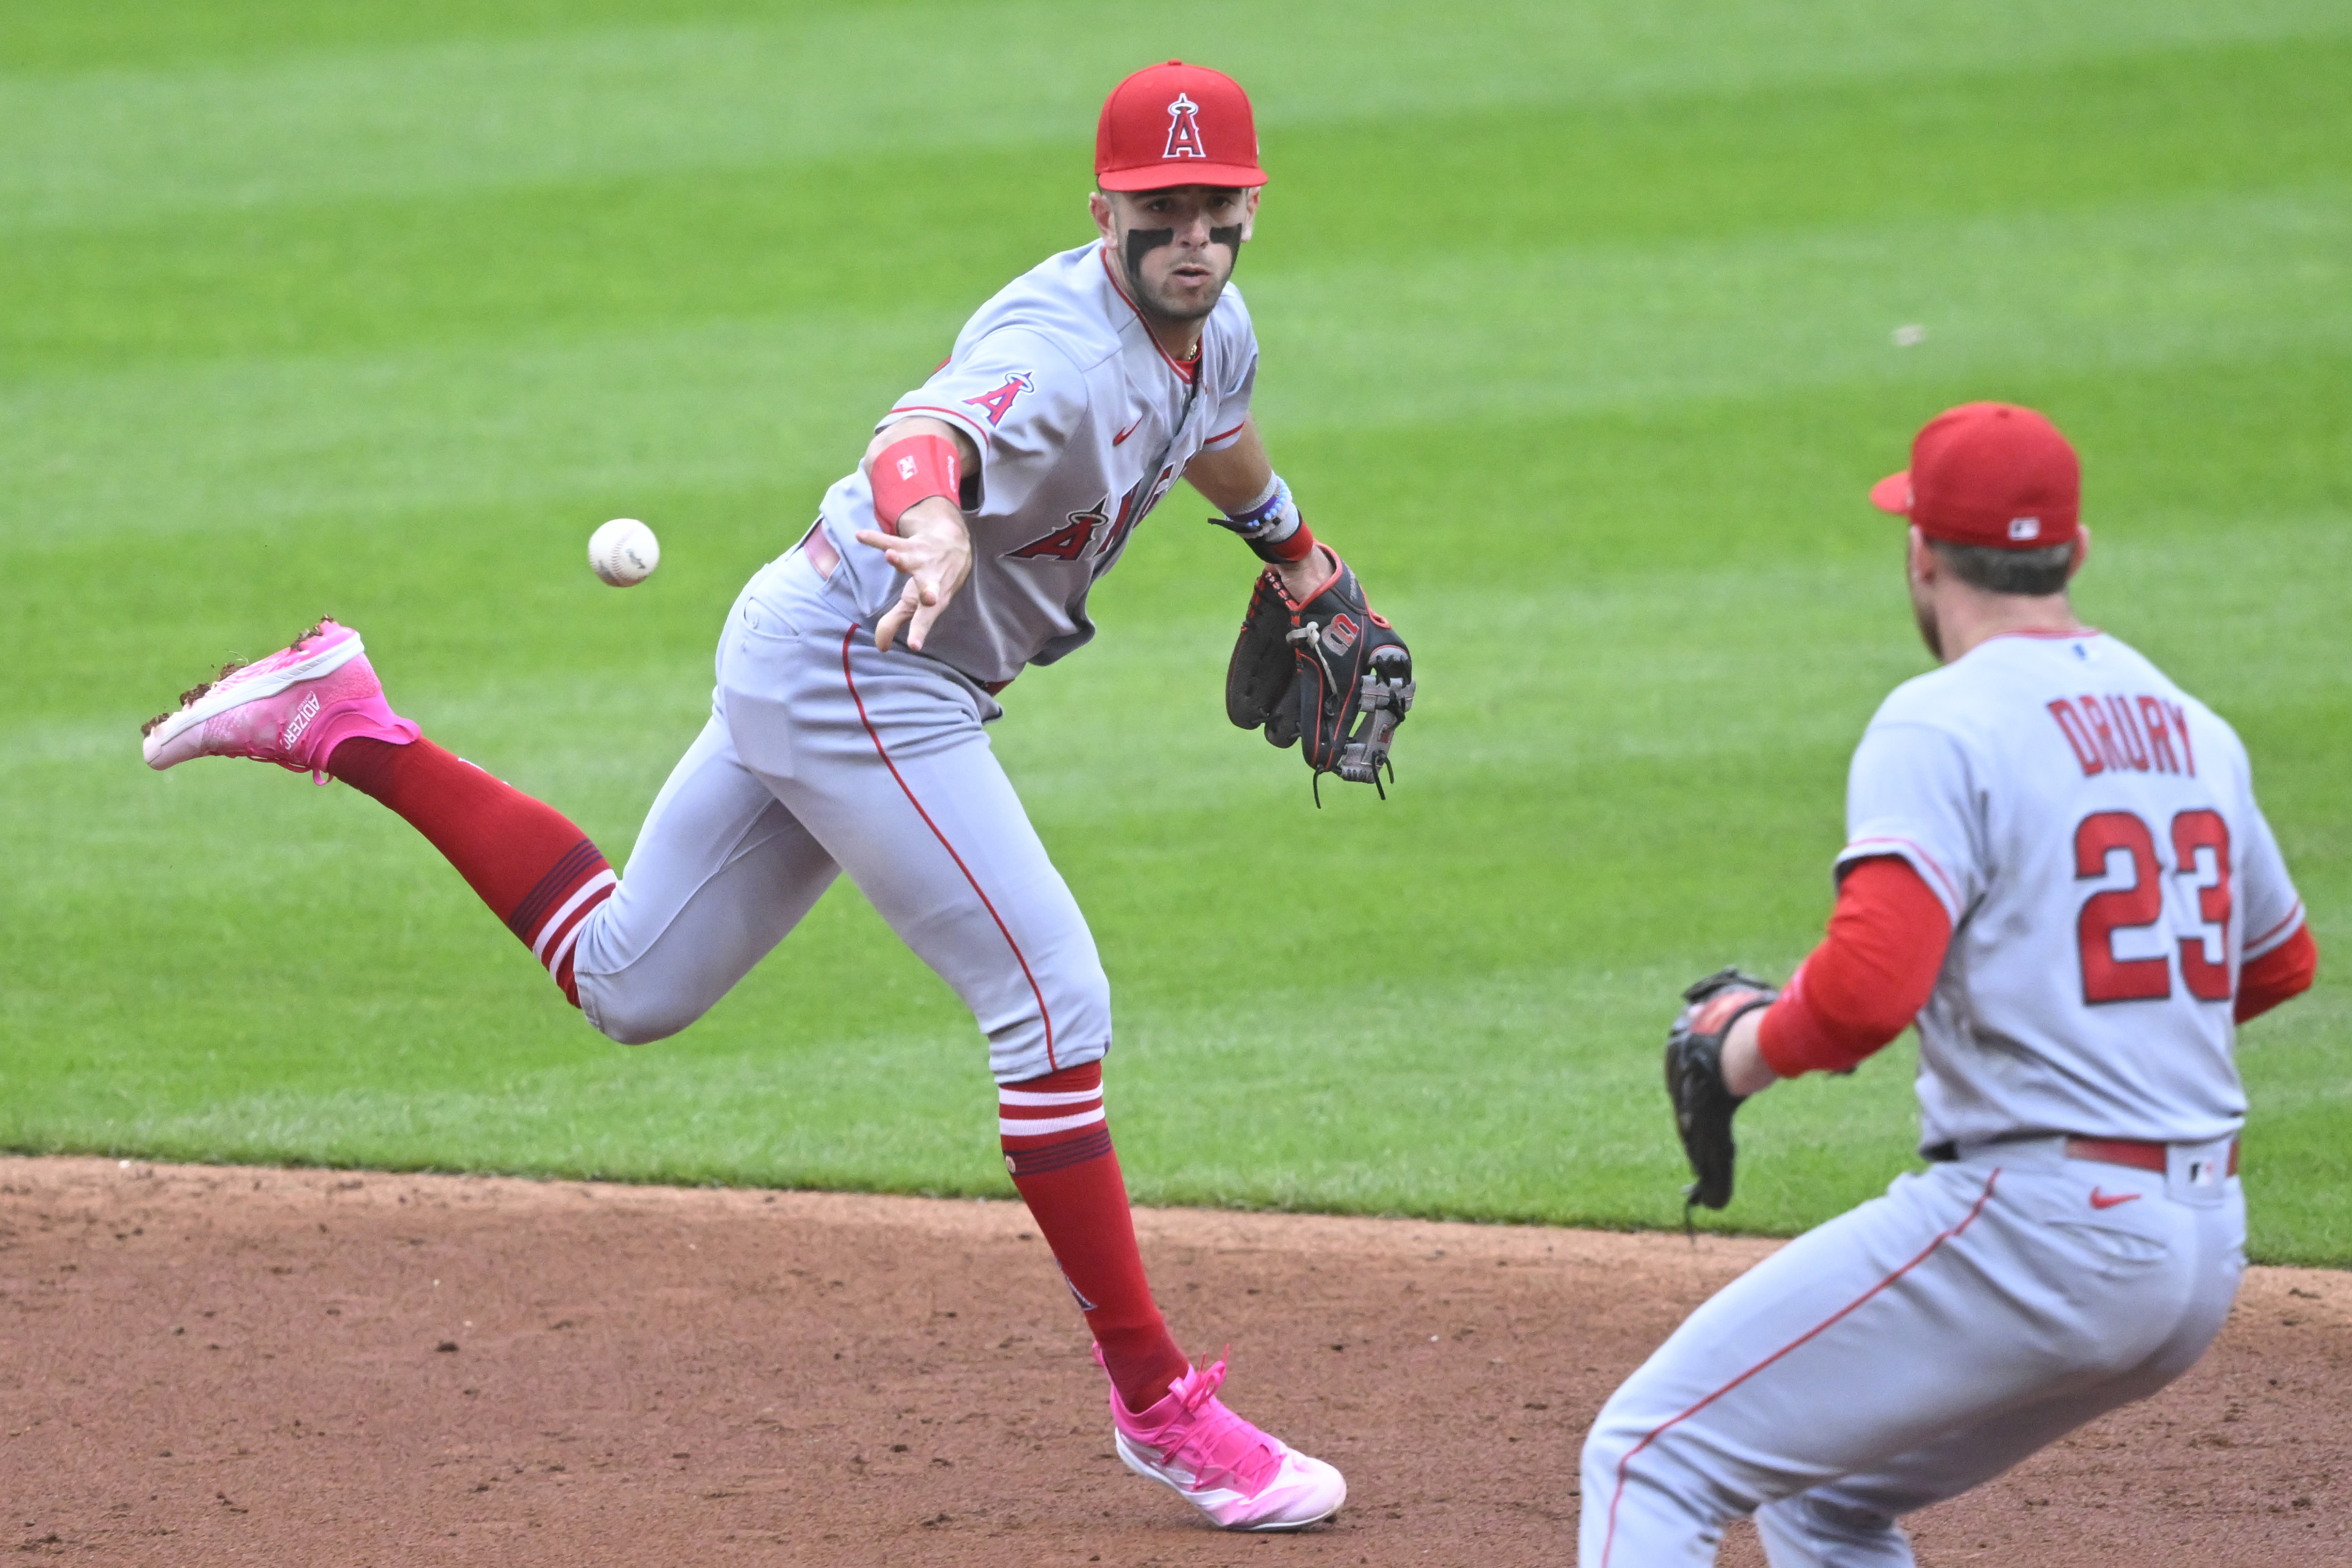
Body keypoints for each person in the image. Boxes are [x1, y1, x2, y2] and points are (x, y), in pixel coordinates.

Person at [138, 60, 1377, 1533]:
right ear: (1102, 206)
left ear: (1247, 207)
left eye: (1216, 206)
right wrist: (927, 525)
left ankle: (343, 721)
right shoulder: (1059, 347)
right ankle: (1161, 1409)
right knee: (1053, 1004)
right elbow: (922, 440)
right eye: (1160, 207)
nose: (1192, 233)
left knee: (629, 983)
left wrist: (1301, 562)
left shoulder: (1211, 323)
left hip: (816, 653)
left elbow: (1216, 432)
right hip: (864, 666)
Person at [1583, 402, 2318, 1565]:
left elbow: (1870, 988)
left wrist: (1737, 1045)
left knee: (1647, 1457)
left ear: (1918, 551)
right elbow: (2276, 961)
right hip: (2197, 1250)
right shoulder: (2190, 726)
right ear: (2071, 552)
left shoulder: (1938, 720)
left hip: (2040, 1229)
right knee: (1822, 1501)